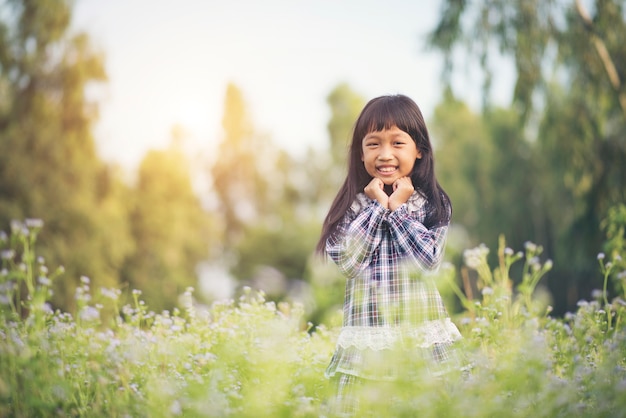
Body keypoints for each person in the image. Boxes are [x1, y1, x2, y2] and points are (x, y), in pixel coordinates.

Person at [316, 94, 463, 415]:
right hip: (368, 343)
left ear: (419, 150)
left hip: (420, 338)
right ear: (360, 153)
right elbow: (348, 262)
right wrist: (377, 207)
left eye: (398, 143)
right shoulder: (350, 207)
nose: (385, 155)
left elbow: (428, 263)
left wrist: (397, 210)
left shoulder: (432, 204)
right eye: (373, 144)